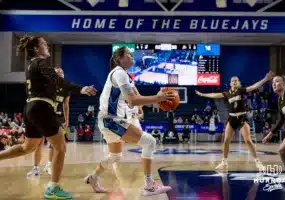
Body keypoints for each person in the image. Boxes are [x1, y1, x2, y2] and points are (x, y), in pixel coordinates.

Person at [0, 36, 96, 199]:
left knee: (27, 148)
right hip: (42, 108)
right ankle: (53, 187)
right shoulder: (40, 62)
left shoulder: (31, 65)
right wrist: (81, 88)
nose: (48, 46)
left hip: (30, 107)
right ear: (37, 49)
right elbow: (57, 80)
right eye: (44, 44)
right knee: (60, 147)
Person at [84, 47, 173, 196]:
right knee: (149, 142)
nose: (132, 57)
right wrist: (157, 98)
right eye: (129, 55)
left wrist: (140, 106)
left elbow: (134, 98)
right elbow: (132, 99)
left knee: (115, 156)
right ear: (119, 59)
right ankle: (149, 185)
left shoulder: (127, 76)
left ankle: (93, 177)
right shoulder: (119, 73)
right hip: (110, 120)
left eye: (132, 55)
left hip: (111, 120)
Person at [195, 72, 274, 171]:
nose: (234, 82)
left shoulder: (241, 90)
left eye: (236, 80)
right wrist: (202, 94)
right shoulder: (227, 93)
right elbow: (214, 95)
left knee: (248, 141)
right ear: (230, 83)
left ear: (238, 83)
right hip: (232, 118)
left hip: (241, 117)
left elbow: (254, 86)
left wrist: (265, 79)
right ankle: (224, 162)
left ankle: (257, 162)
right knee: (226, 141)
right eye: (232, 81)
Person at [27, 66, 71, 177]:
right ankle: (36, 168)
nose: (60, 73)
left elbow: (66, 105)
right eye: (57, 72)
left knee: (55, 145)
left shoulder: (66, 88)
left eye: (62, 72)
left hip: (57, 118)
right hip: (43, 116)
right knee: (38, 143)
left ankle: (49, 165)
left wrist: (67, 120)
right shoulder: (47, 86)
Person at [262, 75, 285, 182]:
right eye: (273, 82)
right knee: (282, 151)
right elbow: (281, 120)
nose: (274, 84)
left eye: (277, 81)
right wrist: (269, 135)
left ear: (284, 84)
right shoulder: (280, 100)